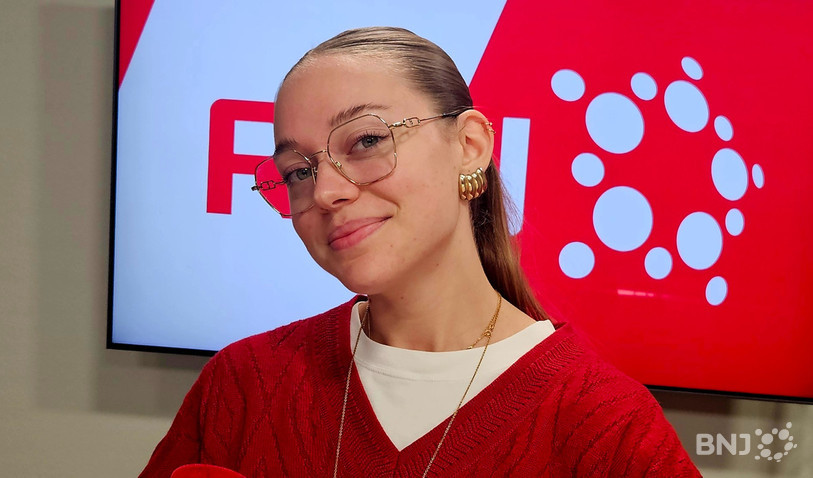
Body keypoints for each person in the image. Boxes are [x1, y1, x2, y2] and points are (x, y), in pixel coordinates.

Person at [140, 26, 702, 477]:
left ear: (469, 145)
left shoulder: (605, 428)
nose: (326, 191)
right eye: (297, 171)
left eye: (365, 141)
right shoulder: (245, 383)